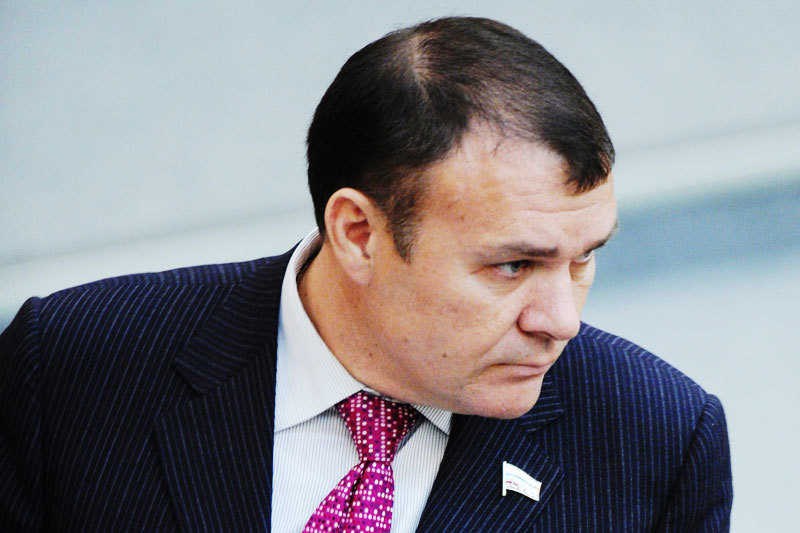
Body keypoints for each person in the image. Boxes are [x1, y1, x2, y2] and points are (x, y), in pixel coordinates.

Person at [0, 16, 732, 532]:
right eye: (513, 264)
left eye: (585, 257)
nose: (561, 320)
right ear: (358, 234)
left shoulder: (655, 439)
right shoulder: (70, 363)